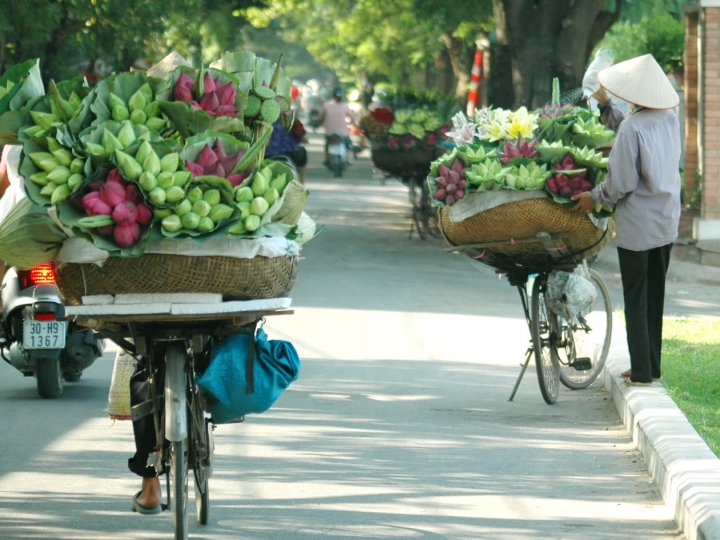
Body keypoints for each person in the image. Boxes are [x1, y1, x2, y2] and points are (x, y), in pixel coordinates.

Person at [571, 54, 681, 387]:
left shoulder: (632, 128)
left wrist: (594, 197)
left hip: (638, 225)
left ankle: (642, 371)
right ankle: (652, 366)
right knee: (654, 294)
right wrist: (606, 105)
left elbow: (620, 184)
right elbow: (634, 128)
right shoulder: (668, 117)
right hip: (666, 218)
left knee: (635, 295)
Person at [319, 87, 357, 165]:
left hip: (330, 132)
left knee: (327, 145)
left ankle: (327, 159)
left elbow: (321, 118)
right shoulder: (345, 106)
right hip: (343, 133)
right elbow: (353, 117)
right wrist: (351, 124)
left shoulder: (326, 105)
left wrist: (320, 123)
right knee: (349, 145)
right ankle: (349, 160)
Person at [265, 116, 308, 184]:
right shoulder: (291, 118)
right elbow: (303, 137)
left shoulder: (265, 119)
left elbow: (265, 143)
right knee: (303, 152)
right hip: (290, 153)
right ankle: (301, 183)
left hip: (268, 154)